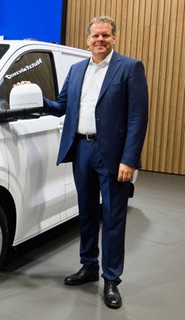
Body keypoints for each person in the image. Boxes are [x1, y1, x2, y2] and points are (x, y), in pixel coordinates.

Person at [18, 16, 148, 309]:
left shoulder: (129, 68)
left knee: (113, 217)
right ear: (87, 40)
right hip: (82, 149)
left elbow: (138, 118)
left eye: (105, 35)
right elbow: (62, 106)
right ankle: (88, 266)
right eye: (95, 36)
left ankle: (112, 279)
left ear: (114, 38)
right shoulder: (76, 71)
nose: (100, 40)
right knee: (87, 213)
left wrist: (130, 159)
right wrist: (35, 96)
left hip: (113, 155)